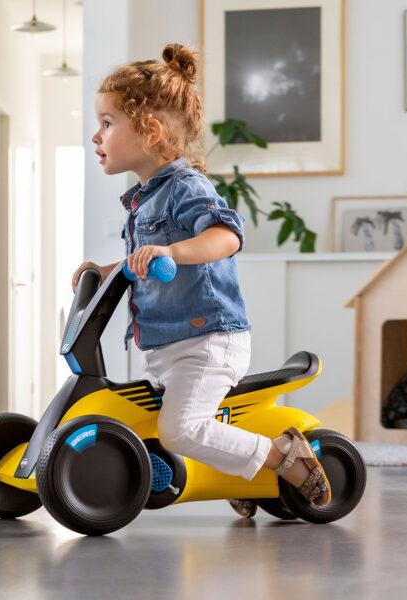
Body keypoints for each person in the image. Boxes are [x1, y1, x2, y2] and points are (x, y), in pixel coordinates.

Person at [72, 43, 331, 514]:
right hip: (168, 345)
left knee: (181, 430)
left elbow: (225, 236)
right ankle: (237, 470)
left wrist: (172, 251)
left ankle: (285, 458)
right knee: (171, 423)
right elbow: (142, 261)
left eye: (107, 123)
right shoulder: (143, 200)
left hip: (207, 340)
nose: (96, 136)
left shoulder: (186, 186)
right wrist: (110, 270)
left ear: (149, 131)